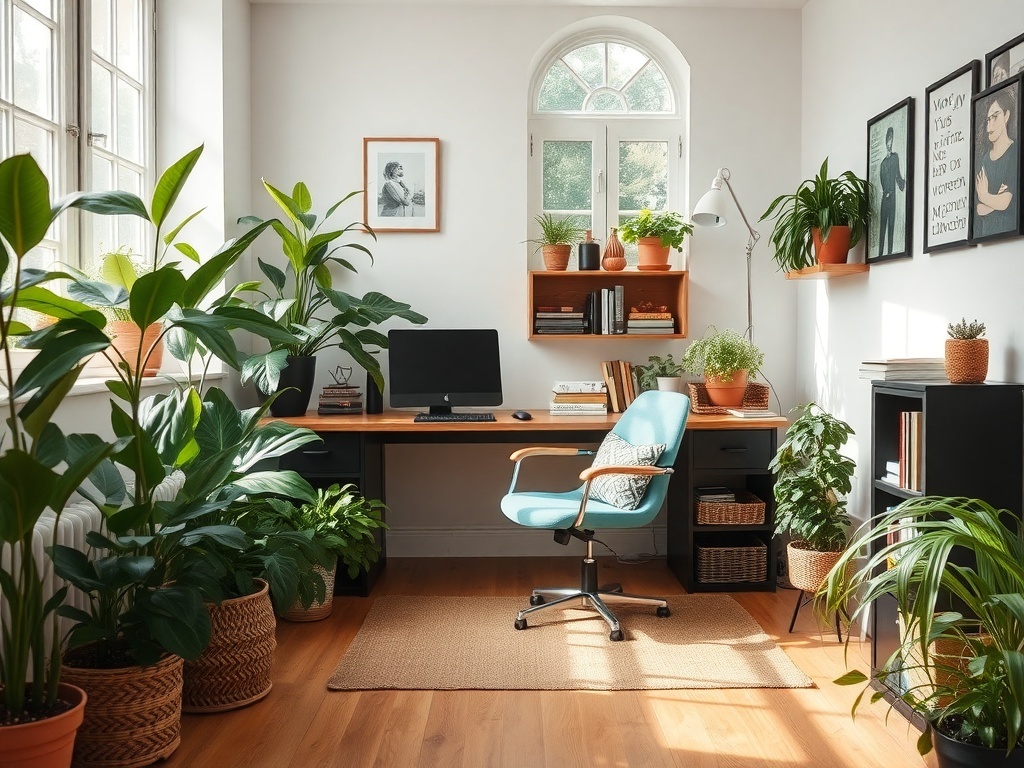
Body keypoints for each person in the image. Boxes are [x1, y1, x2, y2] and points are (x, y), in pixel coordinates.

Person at [975, 86, 1018, 238]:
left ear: (1006, 116)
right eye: (988, 119)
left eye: (995, 116)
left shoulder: (1015, 153)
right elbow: (979, 209)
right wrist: (994, 201)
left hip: (1010, 239)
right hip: (987, 238)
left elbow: (1005, 202)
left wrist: (985, 195)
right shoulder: (983, 160)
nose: (989, 126)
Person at [878, 126, 906, 256]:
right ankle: (880, 254)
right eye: (888, 139)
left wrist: (903, 183)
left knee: (891, 226)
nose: (889, 142)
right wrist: (886, 192)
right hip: (885, 198)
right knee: (882, 226)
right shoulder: (883, 164)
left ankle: (889, 254)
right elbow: (882, 181)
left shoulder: (895, 158)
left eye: (891, 139)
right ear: (885, 142)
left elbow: (898, 176)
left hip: (893, 197)